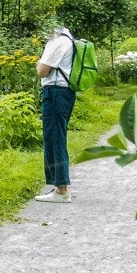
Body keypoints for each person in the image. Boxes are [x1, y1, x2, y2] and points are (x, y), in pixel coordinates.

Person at [34, 24, 78, 202]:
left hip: (55, 93)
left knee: (55, 138)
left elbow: (42, 71)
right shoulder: (70, 40)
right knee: (58, 136)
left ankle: (61, 189)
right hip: (66, 92)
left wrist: (39, 64)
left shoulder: (57, 42)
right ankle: (60, 186)